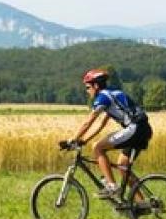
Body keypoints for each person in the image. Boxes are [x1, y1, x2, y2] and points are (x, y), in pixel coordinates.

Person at [63, 69, 153, 198]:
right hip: (143, 129)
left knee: (98, 148)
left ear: (96, 85)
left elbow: (88, 122)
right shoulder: (112, 93)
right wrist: (84, 140)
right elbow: (101, 124)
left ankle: (112, 186)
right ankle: (142, 204)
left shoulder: (103, 97)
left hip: (134, 128)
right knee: (122, 166)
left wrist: (73, 139)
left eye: (88, 87)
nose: (87, 91)